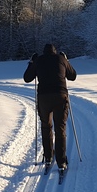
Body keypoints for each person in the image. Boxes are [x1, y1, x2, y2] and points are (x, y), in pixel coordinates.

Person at [23, 43, 77, 178]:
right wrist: (66, 60)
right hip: (60, 96)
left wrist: (32, 62)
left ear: (44, 52)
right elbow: (72, 76)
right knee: (60, 128)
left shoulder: (39, 60)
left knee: (46, 126)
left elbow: (27, 78)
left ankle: (48, 157)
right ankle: (61, 162)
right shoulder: (61, 59)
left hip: (44, 98)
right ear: (55, 51)